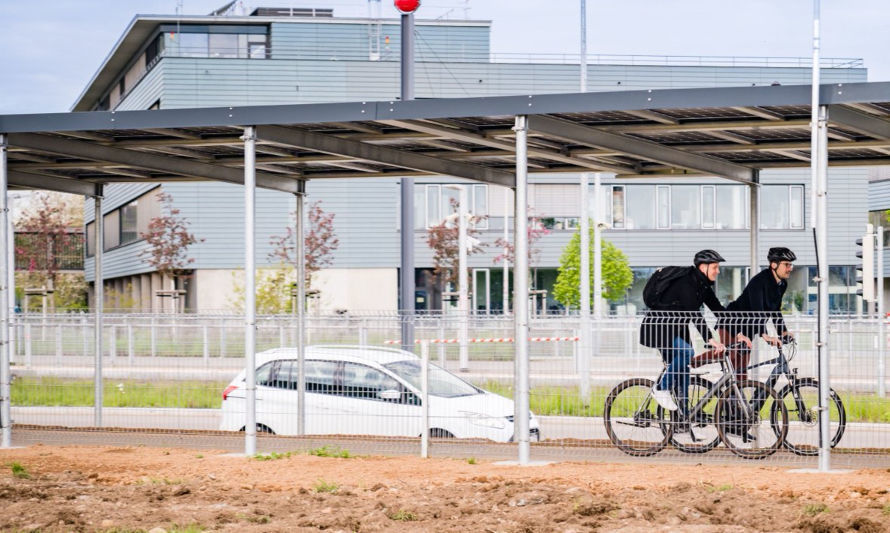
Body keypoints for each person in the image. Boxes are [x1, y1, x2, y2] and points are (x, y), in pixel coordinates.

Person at [640, 249, 727, 414]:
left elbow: (719, 311)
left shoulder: (703, 286)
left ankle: (683, 420)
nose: (718, 271)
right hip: (659, 328)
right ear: (703, 267)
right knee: (687, 352)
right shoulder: (686, 282)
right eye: (715, 267)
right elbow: (693, 313)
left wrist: (739, 331)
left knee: (683, 372)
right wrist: (710, 339)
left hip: (675, 331)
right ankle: (661, 388)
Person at [697, 247, 796, 379]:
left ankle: (734, 398)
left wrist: (782, 331)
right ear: (774, 264)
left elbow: (775, 310)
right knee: (729, 354)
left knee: (742, 371)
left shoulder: (782, 284)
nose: (790, 268)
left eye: (791, 264)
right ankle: (690, 363)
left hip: (748, 330)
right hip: (731, 323)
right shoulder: (759, 281)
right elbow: (757, 309)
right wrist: (764, 335)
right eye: (786, 264)